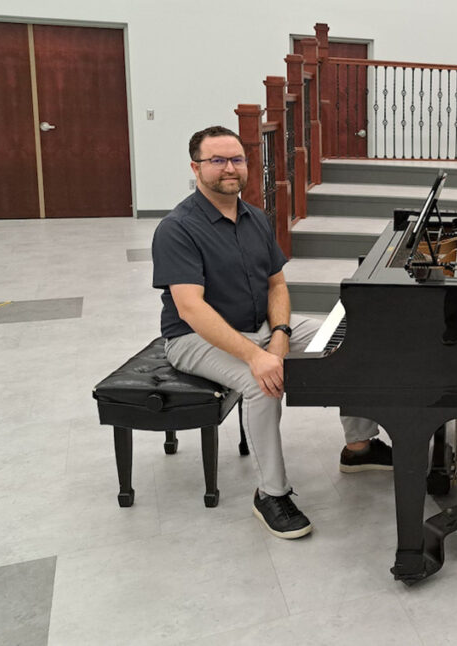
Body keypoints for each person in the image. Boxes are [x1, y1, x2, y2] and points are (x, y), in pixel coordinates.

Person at [152, 126, 392, 540]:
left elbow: (277, 285)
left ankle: (359, 446)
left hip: (262, 324)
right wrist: (255, 355)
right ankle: (272, 493)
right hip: (194, 340)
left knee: (351, 336)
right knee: (260, 384)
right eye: (218, 160)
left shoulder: (255, 218)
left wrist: (279, 332)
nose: (230, 168)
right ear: (196, 168)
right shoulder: (177, 228)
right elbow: (192, 309)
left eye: (237, 159)